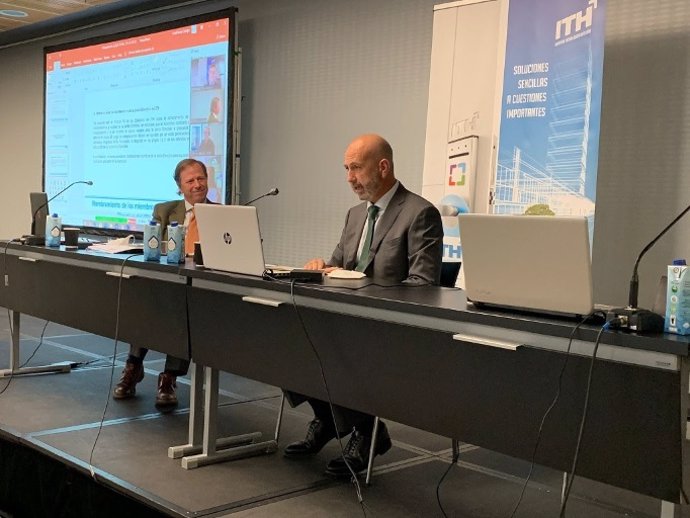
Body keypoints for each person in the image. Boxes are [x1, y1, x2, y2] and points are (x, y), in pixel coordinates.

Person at [284, 134, 443, 477]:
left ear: (382, 167)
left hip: (388, 329)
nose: (349, 178)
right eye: (346, 169)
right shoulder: (355, 215)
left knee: (334, 348)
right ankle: (329, 421)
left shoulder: (420, 213)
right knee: (288, 340)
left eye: (356, 168)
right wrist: (318, 269)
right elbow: (337, 266)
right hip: (346, 321)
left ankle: (366, 433)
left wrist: (361, 287)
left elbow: (424, 287)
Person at [112, 158, 216, 410]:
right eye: (190, 180)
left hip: (199, 286)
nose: (197, 184)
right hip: (166, 279)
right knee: (146, 302)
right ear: (179, 187)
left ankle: (169, 377)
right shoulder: (166, 210)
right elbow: (153, 246)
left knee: (183, 313)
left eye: (201, 178)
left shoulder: (221, 213)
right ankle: (133, 366)